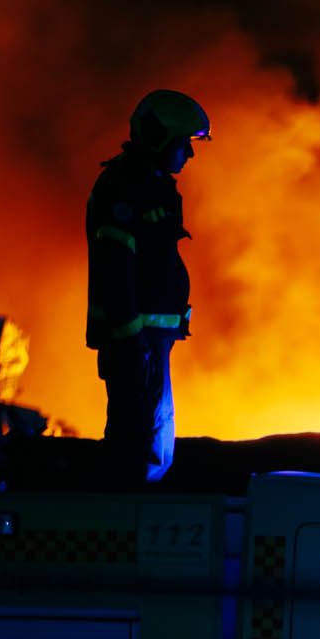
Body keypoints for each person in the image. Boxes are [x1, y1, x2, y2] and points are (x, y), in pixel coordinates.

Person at [87, 89, 209, 483]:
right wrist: (132, 344)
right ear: (159, 138)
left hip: (148, 341)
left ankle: (134, 513)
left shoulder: (150, 186)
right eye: (183, 144)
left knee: (153, 438)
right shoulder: (124, 188)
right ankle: (128, 527)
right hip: (136, 343)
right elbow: (116, 270)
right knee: (138, 442)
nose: (188, 155)